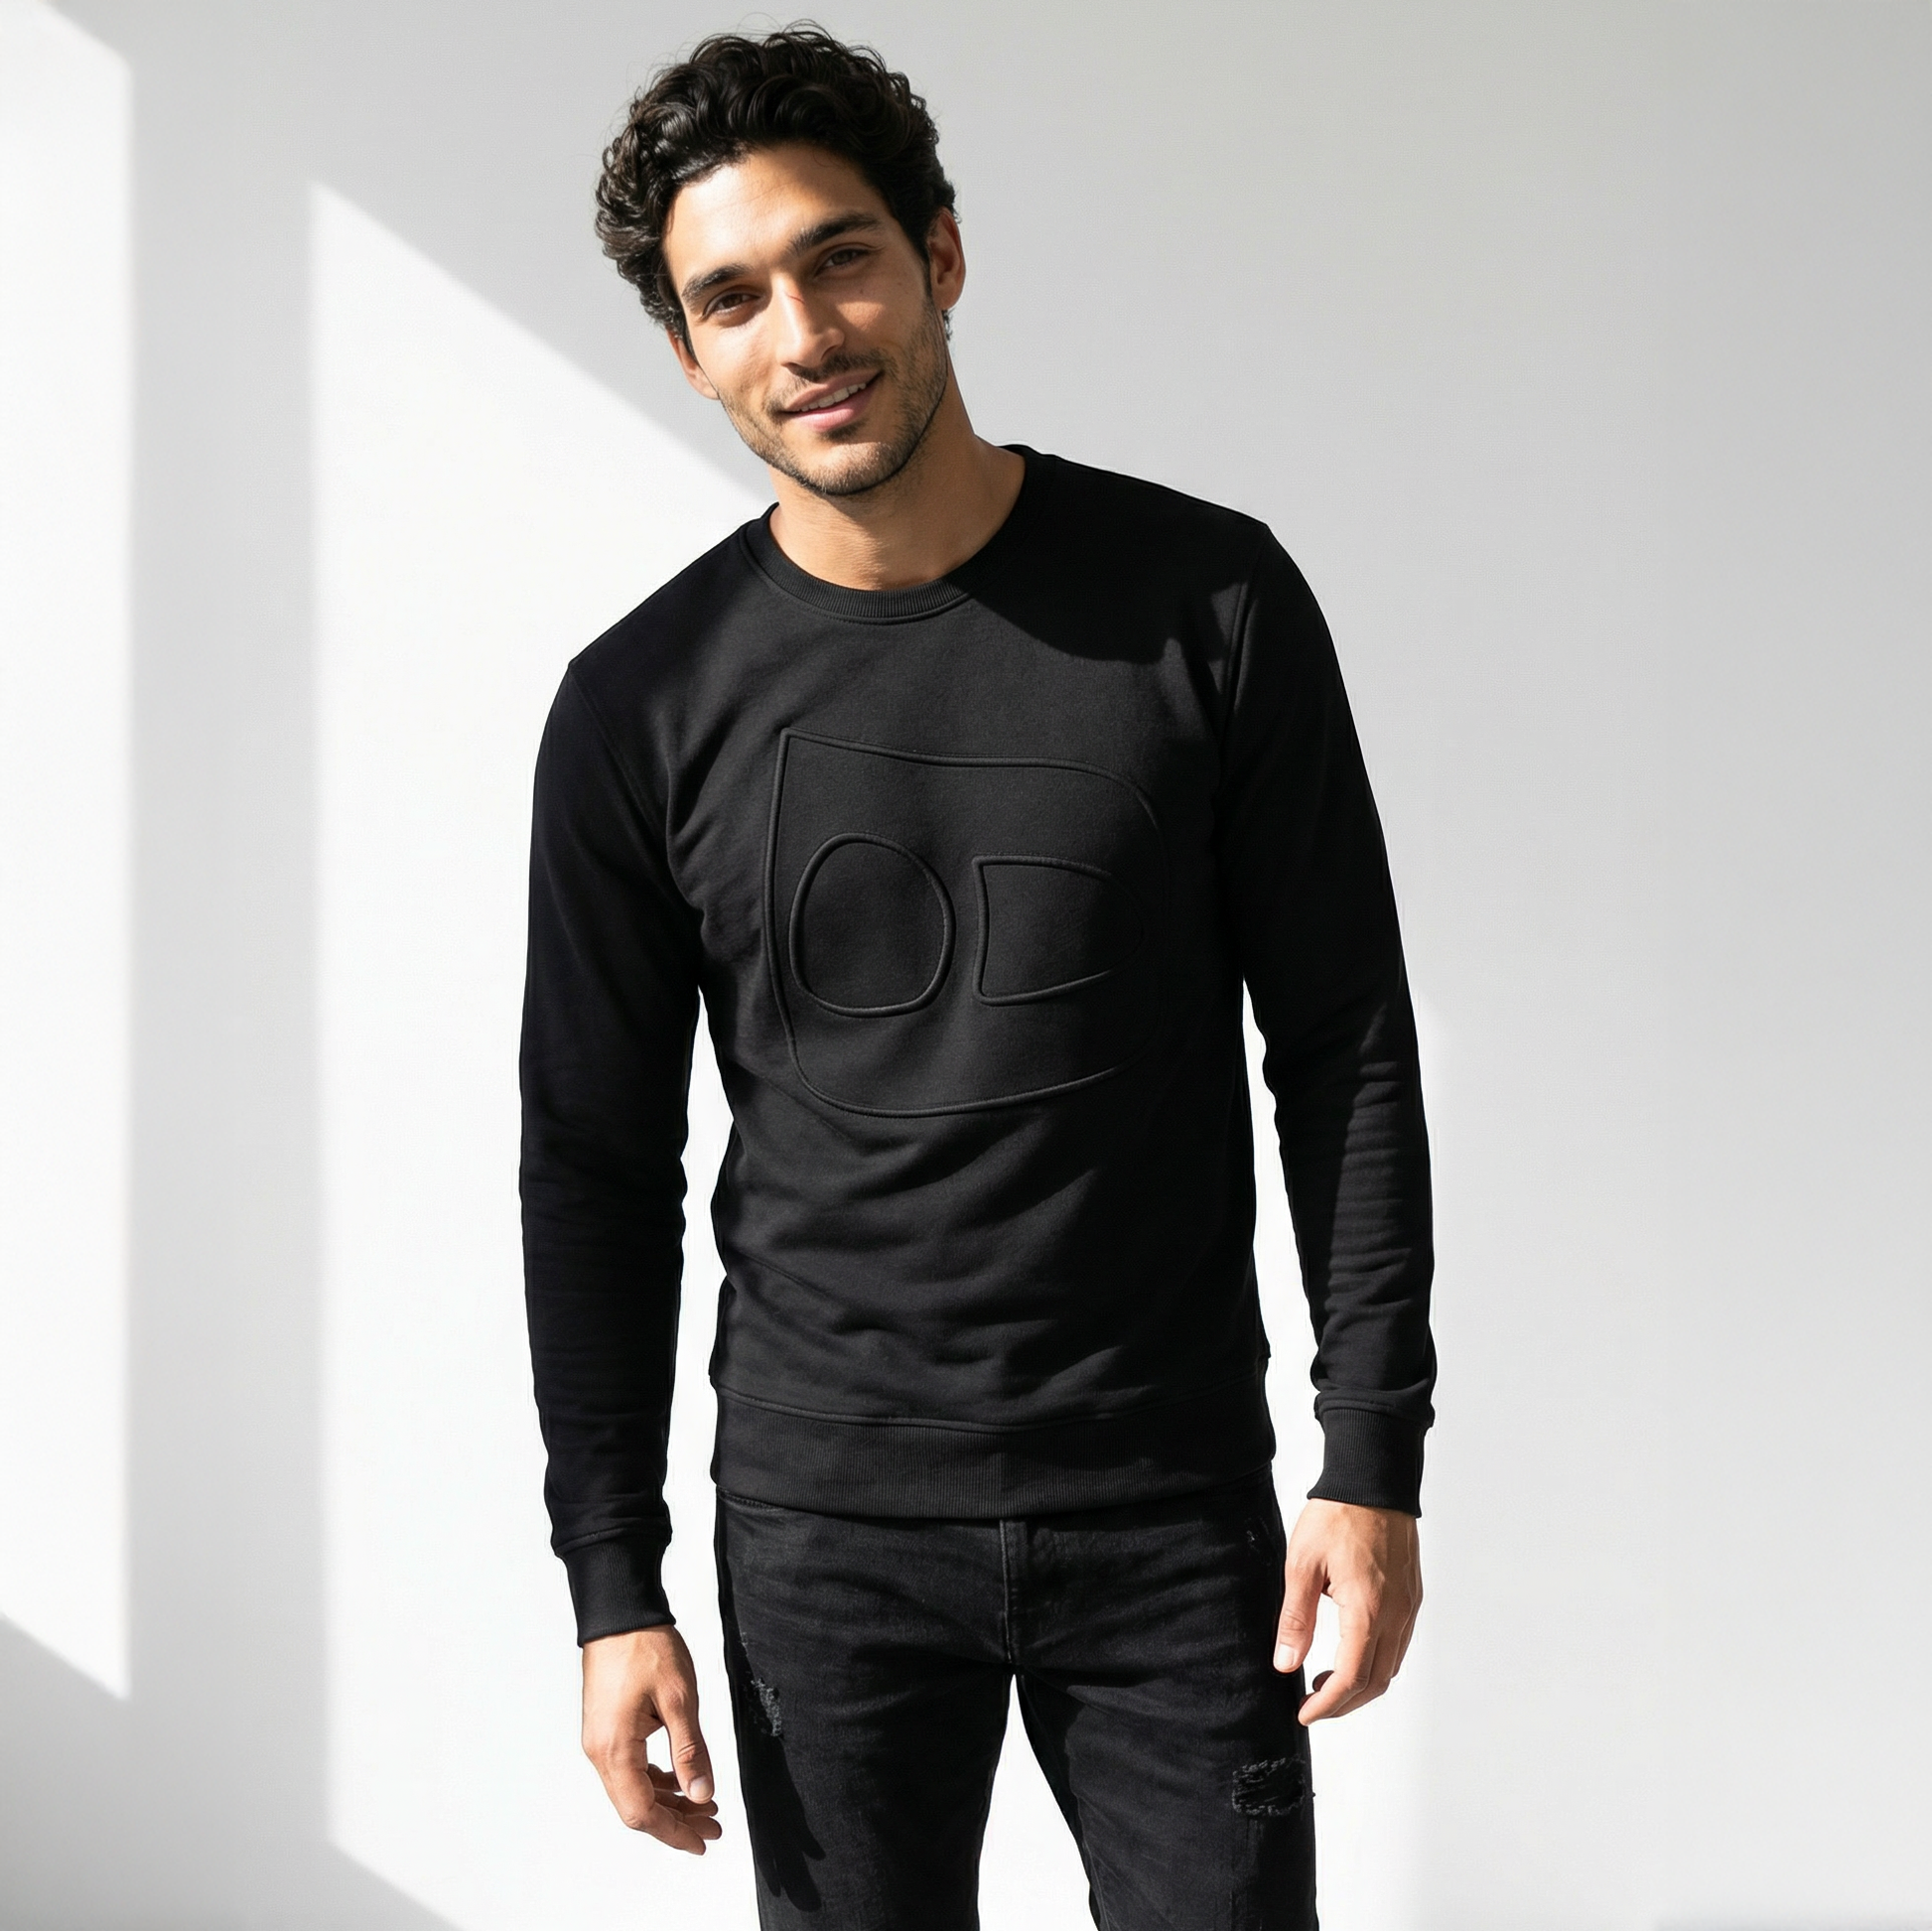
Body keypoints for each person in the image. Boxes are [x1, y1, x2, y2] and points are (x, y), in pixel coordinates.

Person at [519, 26, 1435, 1929]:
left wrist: (1369, 1461)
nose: (803, 335)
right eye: (732, 298)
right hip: (824, 1535)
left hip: (1171, 1510)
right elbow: (594, 1167)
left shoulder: (1210, 606)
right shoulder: (640, 707)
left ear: (939, 255)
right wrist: (613, 1586)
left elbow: (1343, 1046)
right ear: (688, 352)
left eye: (840, 259)